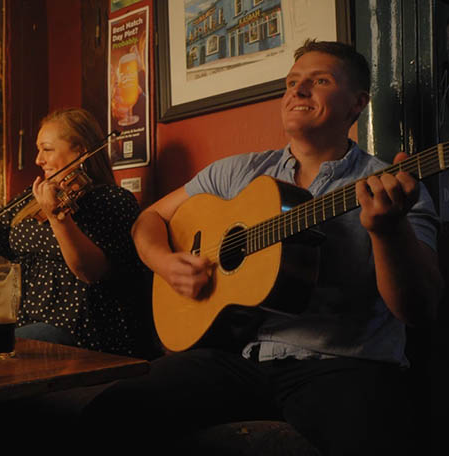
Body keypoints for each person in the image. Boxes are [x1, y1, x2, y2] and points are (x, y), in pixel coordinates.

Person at [81, 39, 443, 455]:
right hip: (239, 358)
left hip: (344, 365)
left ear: (357, 103)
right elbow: (149, 219)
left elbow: (420, 308)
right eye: (292, 82)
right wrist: (164, 261)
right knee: (108, 414)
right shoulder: (236, 172)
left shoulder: (390, 186)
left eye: (319, 80)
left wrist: (388, 232)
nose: (298, 90)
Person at [0, 107, 150, 357]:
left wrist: (57, 218)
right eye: (38, 149)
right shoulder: (34, 198)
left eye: (47, 149)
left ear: (81, 152)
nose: (38, 160)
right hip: (21, 320)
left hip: (79, 329)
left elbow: (89, 271)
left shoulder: (113, 201)